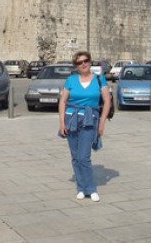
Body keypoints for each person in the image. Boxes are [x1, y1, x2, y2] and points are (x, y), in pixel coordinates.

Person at [58, 50, 111, 202]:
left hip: (90, 120)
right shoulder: (71, 80)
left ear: (90, 61)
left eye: (86, 61)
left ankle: (91, 188)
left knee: (84, 157)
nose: (83, 64)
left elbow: (107, 102)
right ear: (76, 65)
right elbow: (62, 101)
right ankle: (81, 187)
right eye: (80, 62)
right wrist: (62, 123)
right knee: (75, 157)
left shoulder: (100, 79)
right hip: (71, 119)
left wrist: (101, 123)